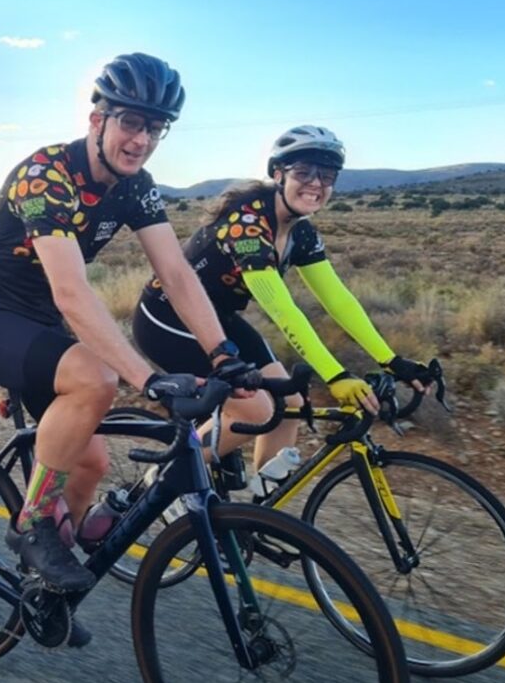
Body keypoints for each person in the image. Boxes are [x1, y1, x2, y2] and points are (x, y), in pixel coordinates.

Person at [0, 52, 264, 618]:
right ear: (98, 120)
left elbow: (176, 274)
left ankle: (43, 591)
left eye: (154, 128)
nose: (141, 139)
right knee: (96, 379)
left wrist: (223, 354)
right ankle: (32, 524)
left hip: (39, 323)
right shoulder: (46, 174)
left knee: (92, 463)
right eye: (130, 123)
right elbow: (72, 293)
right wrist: (146, 378)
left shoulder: (135, 187)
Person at [132, 125, 431, 481]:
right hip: (167, 318)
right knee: (257, 411)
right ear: (278, 174)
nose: (317, 184)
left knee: (292, 404)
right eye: (304, 173)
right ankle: (163, 481)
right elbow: (281, 308)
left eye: (327, 175)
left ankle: (259, 513)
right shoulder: (247, 223)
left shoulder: (300, 231)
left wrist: (392, 359)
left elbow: (338, 299)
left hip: (220, 318)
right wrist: (335, 375)